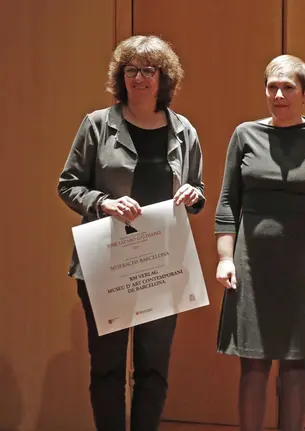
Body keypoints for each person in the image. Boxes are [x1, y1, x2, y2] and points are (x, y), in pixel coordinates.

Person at [57, 35, 205, 431]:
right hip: (106, 261)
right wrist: (103, 202)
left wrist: (193, 194)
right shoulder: (97, 125)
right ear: (121, 76)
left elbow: (198, 191)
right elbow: (68, 184)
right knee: (107, 367)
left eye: (148, 70)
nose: (139, 78)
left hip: (161, 260)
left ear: (163, 77)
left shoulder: (182, 130)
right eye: (131, 69)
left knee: (153, 366)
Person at [214, 54, 305, 431]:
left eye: (288, 87)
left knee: (294, 363)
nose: (279, 94)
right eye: (273, 86)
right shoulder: (244, 134)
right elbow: (226, 202)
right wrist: (225, 258)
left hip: (302, 266)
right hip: (250, 264)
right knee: (252, 363)